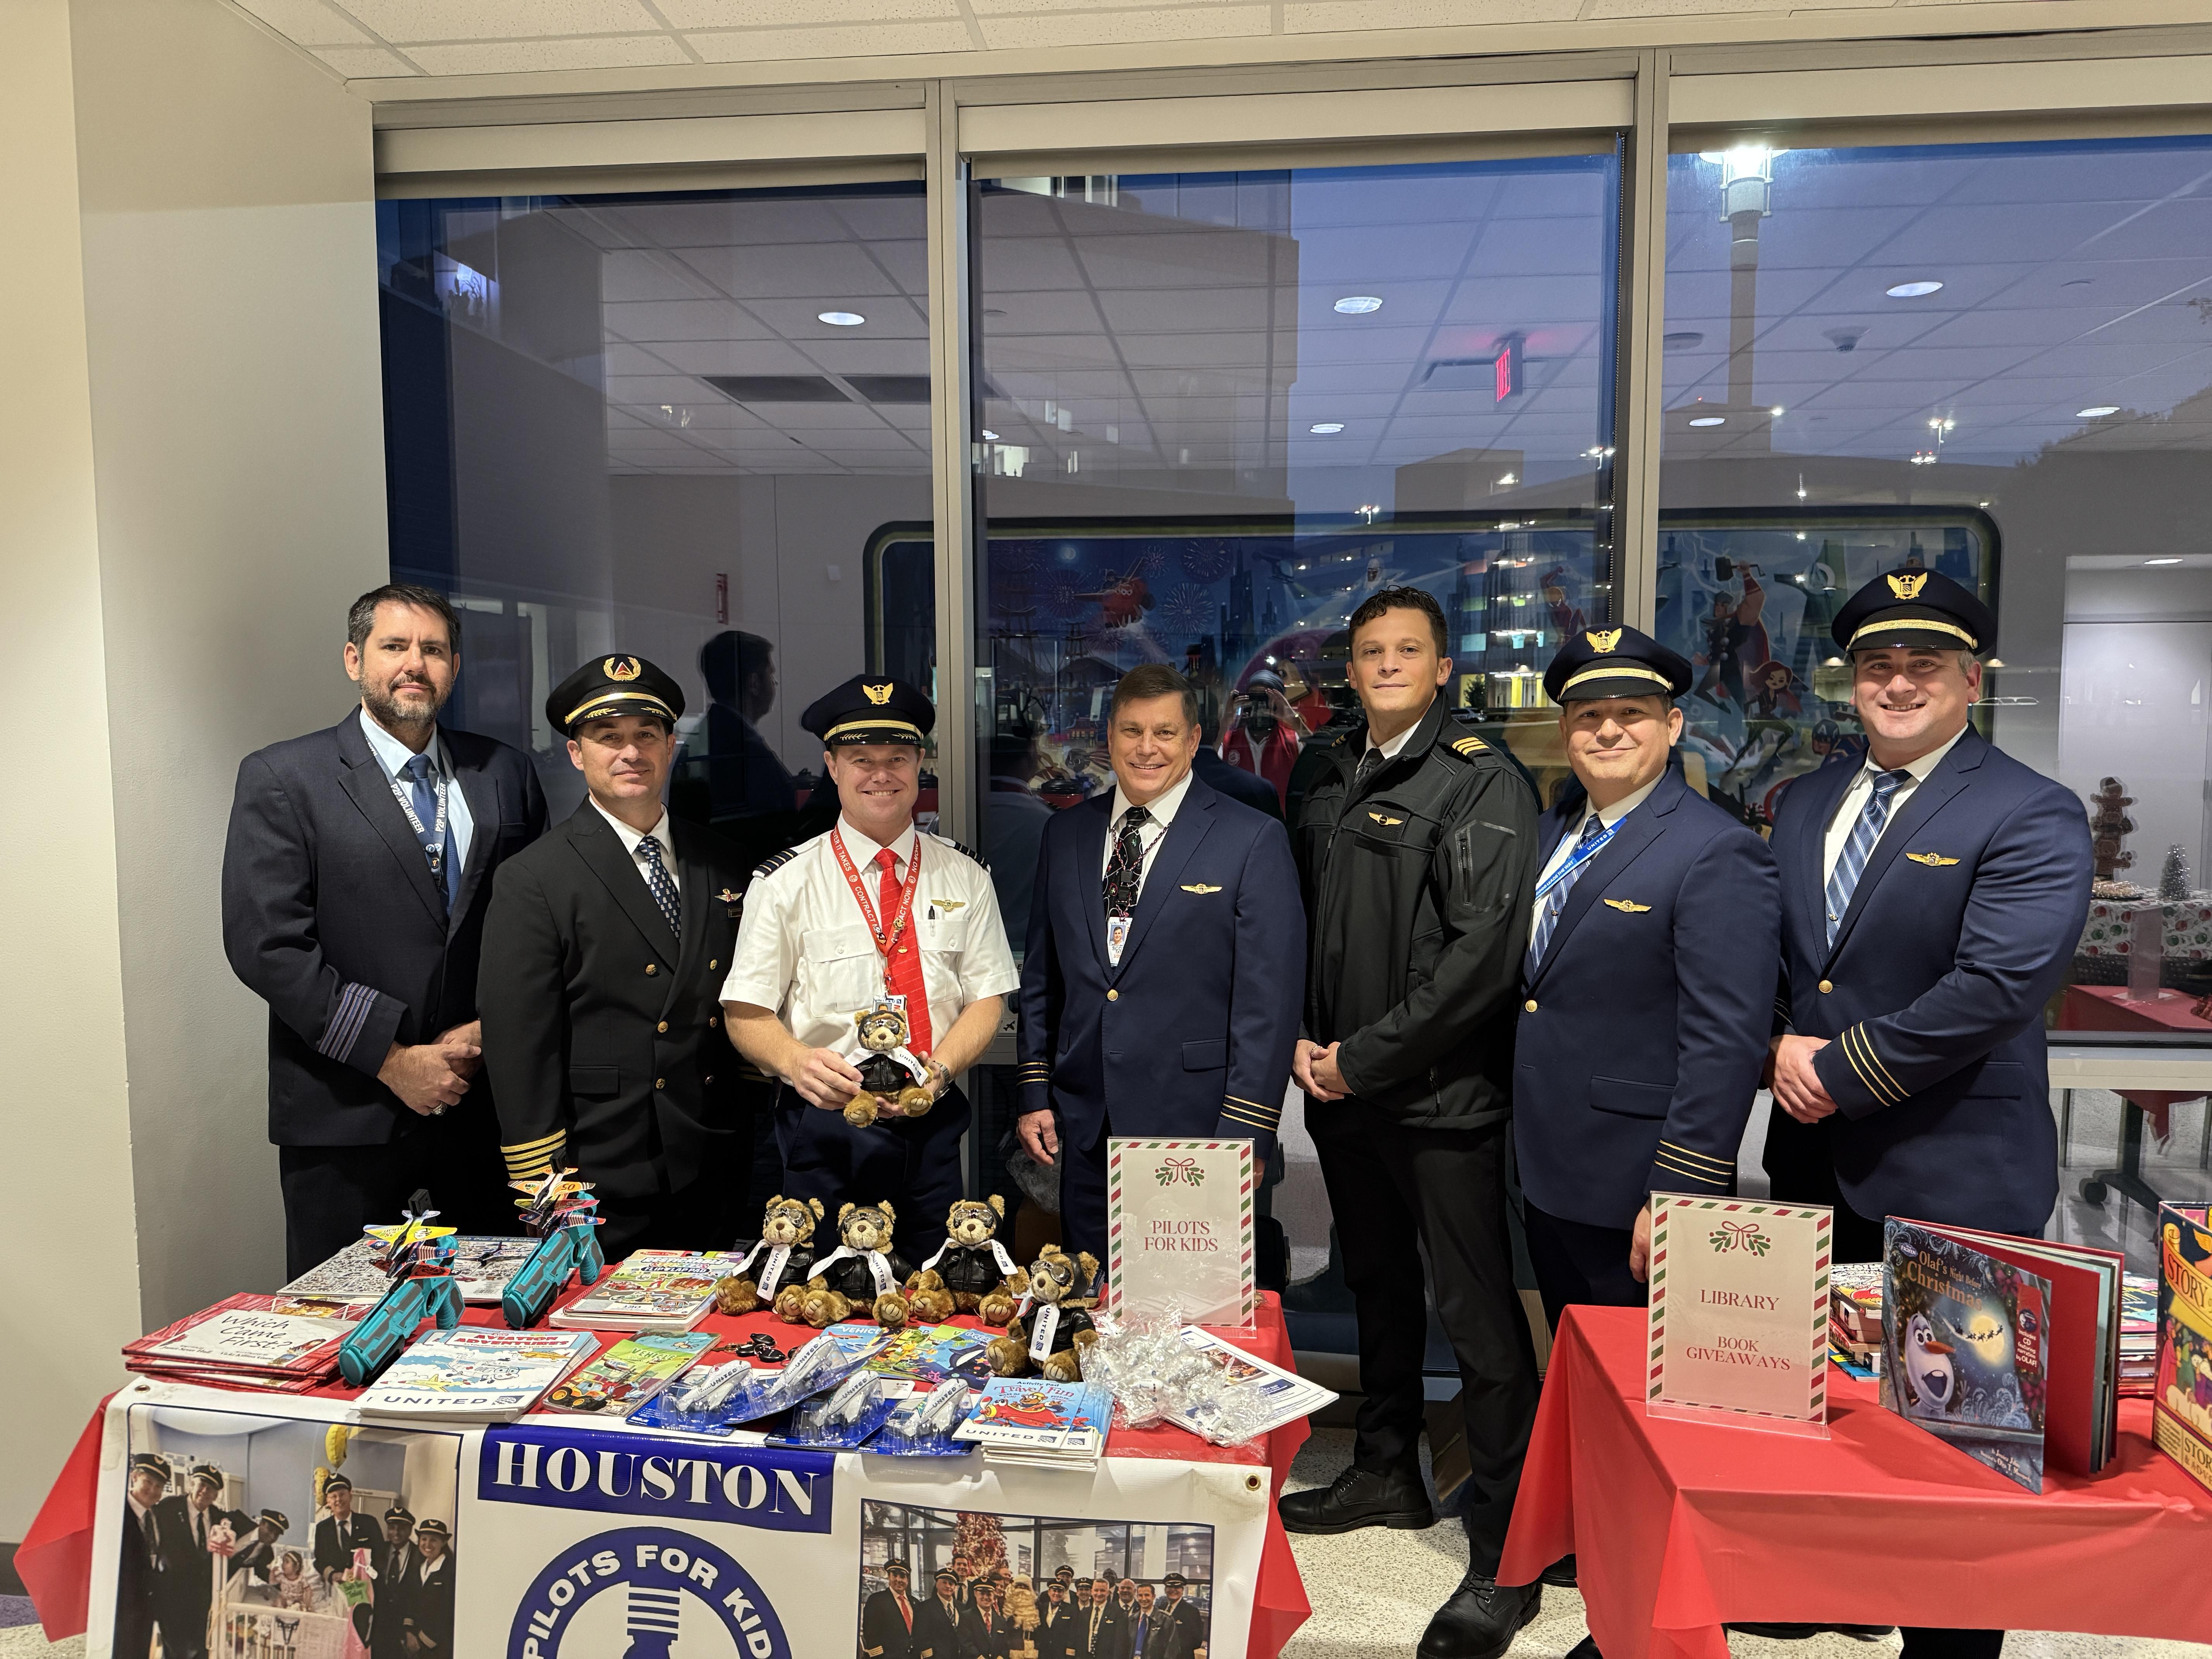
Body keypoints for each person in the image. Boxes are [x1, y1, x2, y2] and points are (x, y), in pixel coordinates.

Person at [1760, 570, 2092, 1659]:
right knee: (1834, 1414)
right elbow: (1782, 960)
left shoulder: (2030, 809)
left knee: (1959, 1443)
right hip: (1816, 1165)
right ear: (1852, 681)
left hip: (1959, 1172)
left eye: (1925, 665)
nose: (1898, 683)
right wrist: (1775, 1043)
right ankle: (1839, 1584)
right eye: (1877, 665)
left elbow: (1997, 986)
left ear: (1972, 680)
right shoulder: (1806, 801)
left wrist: (1838, 1067)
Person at [1281, 586, 1542, 1659]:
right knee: (1376, 1286)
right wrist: (1306, 1044)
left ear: (1443, 668)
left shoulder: (1482, 779)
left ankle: (1509, 1554)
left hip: (1440, 1099)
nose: (1387, 665)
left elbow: (1482, 961)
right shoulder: (1322, 767)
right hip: (1340, 1089)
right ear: (1352, 669)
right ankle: (1386, 1469)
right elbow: (1302, 920)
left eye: (1408, 650)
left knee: (1478, 1325)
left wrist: (1364, 1058)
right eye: (1371, 651)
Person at [223, 583, 549, 1273]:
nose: (415, 664)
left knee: (491, 1314)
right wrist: (392, 1058)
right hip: (347, 1114)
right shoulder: (285, 778)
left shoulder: (505, 774)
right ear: (354, 659)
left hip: (480, 1107)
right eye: (394, 646)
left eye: (434, 649)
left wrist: (490, 1028)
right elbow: (269, 946)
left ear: (454, 666)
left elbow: (538, 928)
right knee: (346, 1316)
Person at [1513, 626, 1779, 1323]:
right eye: (1588, 715)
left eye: (1631, 712)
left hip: (1634, 1182)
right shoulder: (1548, 832)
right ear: (1565, 731)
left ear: (1673, 724)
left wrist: (1677, 1195)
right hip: (1545, 1168)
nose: (1608, 730)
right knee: (1574, 1356)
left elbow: (1724, 1045)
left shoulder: (1716, 850)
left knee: (1633, 1375)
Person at [1015, 664, 1305, 1262]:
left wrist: (1247, 1130)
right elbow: (1043, 978)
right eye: (1132, 731)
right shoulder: (1065, 834)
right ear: (1110, 738)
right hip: (1085, 1127)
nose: (1147, 748)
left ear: (1194, 740)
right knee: (1094, 1300)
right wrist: (1034, 1090)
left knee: (1188, 1306)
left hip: (1198, 1127)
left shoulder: (1250, 838)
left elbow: (1268, 1005)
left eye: (1165, 733)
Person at [479, 654, 752, 1258]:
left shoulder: (725, 860)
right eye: (608, 737)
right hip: (603, 1170)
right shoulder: (535, 878)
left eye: (646, 735)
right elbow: (521, 1044)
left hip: (714, 1157)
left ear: (671, 746)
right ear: (577, 754)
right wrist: (544, 1185)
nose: (631, 753)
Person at [725, 677, 1016, 1222]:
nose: (882, 775)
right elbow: (746, 1013)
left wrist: (941, 1072)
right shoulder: (784, 883)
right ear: (832, 767)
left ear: (920, 764)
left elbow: (987, 998)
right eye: (861, 759)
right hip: (826, 1127)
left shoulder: (967, 875)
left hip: (931, 1120)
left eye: (897, 758)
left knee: (937, 1273)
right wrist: (796, 1062)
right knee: (821, 1276)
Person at [117, 1454, 176, 1659]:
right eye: (148, 1482)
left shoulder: (155, 1516)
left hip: (145, 1608)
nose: (153, 1490)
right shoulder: (117, 1514)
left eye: (159, 1486)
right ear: (135, 1477)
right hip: (120, 1610)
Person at [313, 1474, 383, 1584]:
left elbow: (381, 1554)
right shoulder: (323, 1529)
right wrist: (333, 1574)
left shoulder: (369, 1523)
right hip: (337, 1586)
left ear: (350, 1496)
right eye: (334, 1496)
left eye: (342, 1494)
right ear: (328, 1501)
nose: (339, 1500)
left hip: (366, 1586)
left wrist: (366, 1577)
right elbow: (320, 1561)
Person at [400, 1518, 454, 1656]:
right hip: (415, 1643)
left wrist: (422, 1641)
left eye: (434, 1540)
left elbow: (448, 1612)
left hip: (438, 1646)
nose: (427, 1544)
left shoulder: (451, 1571)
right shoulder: (419, 1567)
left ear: (444, 1542)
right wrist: (409, 1633)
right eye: (424, 1539)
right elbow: (410, 1603)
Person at [372, 1508, 418, 1659]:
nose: (396, 1533)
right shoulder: (379, 1552)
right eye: (392, 1528)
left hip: (405, 1627)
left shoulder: (419, 1555)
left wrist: (411, 1630)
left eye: (402, 1529)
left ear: (410, 1531)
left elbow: (420, 1597)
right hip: (379, 1624)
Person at [862, 1558, 921, 1659]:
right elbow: (871, 1634)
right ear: (889, 1577)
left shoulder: (915, 1603)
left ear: (907, 1580)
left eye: (902, 1576)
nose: (899, 1580)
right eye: (895, 1575)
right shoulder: (877, 1601)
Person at [915, 1566, 966, 1659]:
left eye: (951, 1584)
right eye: (944, 1582)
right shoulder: (925, 1607)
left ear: (955, 1587)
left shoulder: (962, 1607)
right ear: (937, 1585)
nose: (948, 1586)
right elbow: (922, 1637)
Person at [1148, 1575, 1204, 1659]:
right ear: (1165, 1590)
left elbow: (1197, 1641)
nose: (1173, 1590)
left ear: (1182, 1590)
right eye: (1170, 1587)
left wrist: (1172, 1648)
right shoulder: (1160, 1609)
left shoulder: (1192, 1612)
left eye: (1177, 1587)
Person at [228, 1509, 290, 1582]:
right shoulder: (238, 1520)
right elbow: (218, 1514)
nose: (272, 1537)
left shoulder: (267, 1555)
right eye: (270, 1530)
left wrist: (287, 1583)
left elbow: (263, 1573)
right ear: (262, 1523)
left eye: (276, 1535)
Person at [1076, 1573, 1125, 1659]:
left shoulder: (1118, 1613)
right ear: (1092, 1592)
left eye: (1103, 1591)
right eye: (1096, 1590)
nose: (1099, 1594)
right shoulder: (1084, 1612)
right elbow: (1079, 1639)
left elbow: (1119, 1643)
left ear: (1108, 1593)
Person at [962, 1578, 1008, 1659]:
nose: (986, 1597)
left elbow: (1006, 1645)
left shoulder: (1001, 1620)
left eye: (989, 1594)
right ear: (975, 1594)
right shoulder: (966, 1617)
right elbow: (966, 1643)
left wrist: (1002, 1657)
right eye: (982, 1594)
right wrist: (978, 1657)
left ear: (993, 1595)